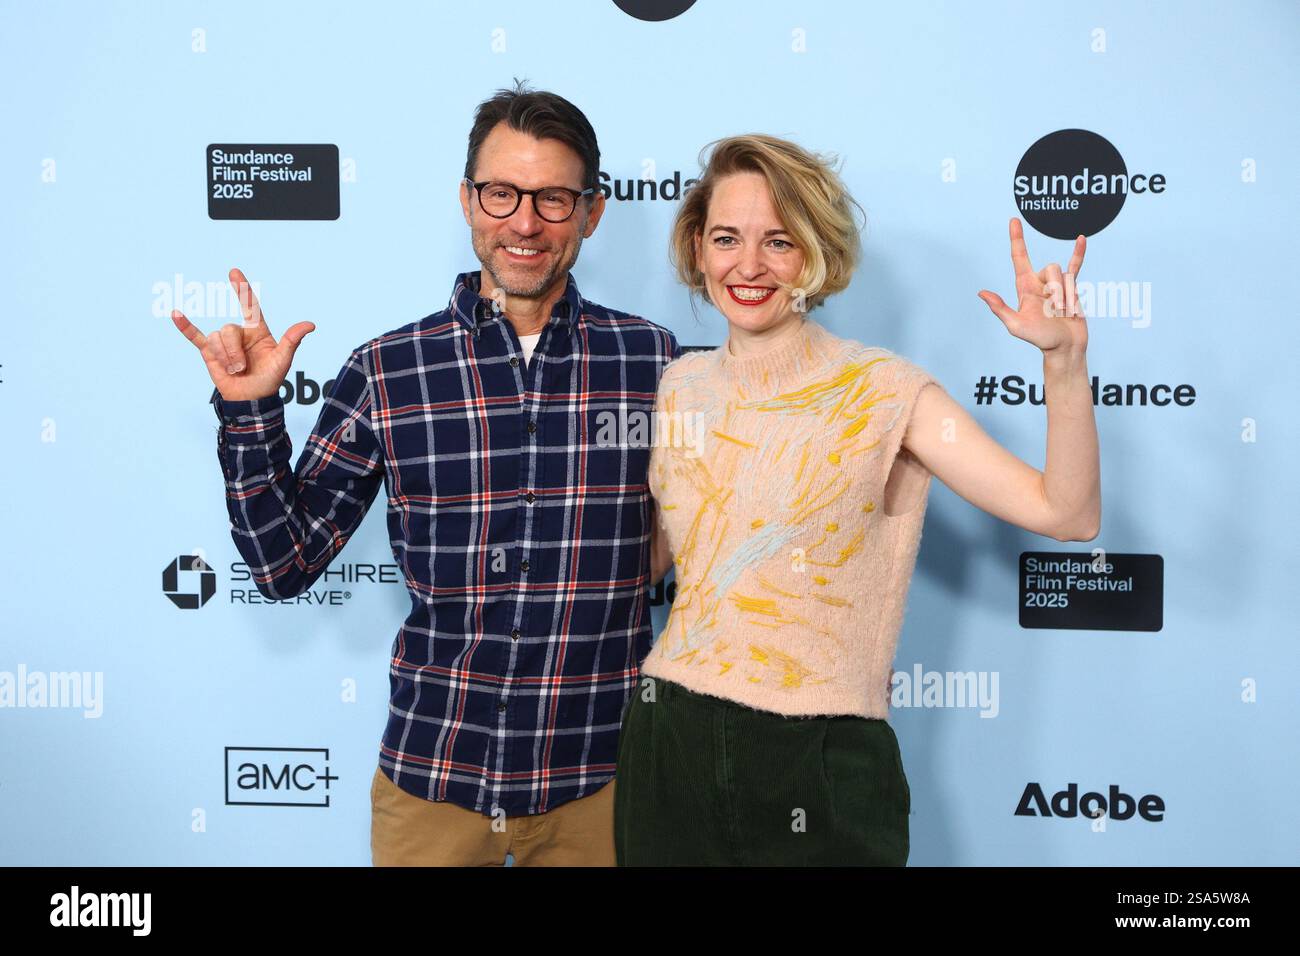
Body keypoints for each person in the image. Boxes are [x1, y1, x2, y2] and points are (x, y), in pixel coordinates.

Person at [172, 81, 680, 866]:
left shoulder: (655, 362)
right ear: (468, 201)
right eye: (502, 192)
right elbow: (282, 566)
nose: (525, 221)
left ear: (592, 212)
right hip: (434, 781)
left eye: (553, 198)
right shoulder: (389, 369)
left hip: (604, 785)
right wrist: (250, 413)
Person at [615, 134, 1100, 866]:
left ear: (815, 254)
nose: (748, 266)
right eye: (727, 238)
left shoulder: (884, 391)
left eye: (778, 241)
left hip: (821, 753)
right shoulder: (678, 386)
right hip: (668, 737)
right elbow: (652, 559)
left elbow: (1067, 514)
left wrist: (1064, 366)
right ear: (696, 247)